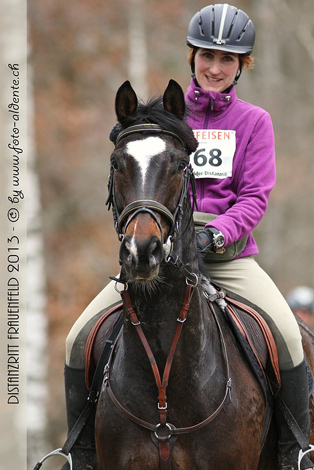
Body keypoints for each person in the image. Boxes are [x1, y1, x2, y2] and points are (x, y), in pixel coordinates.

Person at [60, 5, 314, 470]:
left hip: (228, 256)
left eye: (227, 60)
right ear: (192, 56)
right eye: (206, 57)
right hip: (157, 253)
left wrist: (215, 236)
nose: (215, 68)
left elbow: (254, 197)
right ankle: (80, 454)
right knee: (79, 338)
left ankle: (294, 450)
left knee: (290, 340)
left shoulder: (255, 122)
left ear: (242, 66)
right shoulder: (168, 117)